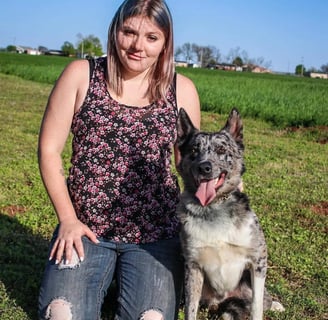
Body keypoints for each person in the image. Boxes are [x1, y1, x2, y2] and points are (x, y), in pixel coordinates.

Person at [37, 0, 200, 319]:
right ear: (115, 31)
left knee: (150, 317)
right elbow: (49, 151)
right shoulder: (81, 74)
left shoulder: (182, 89)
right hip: (85, 229)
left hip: (156, 233)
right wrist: (68, 220)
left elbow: (189, 163)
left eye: (152, 37)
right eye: (129, 32)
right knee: (62, 314)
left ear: (165, 41)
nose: (138, 46)